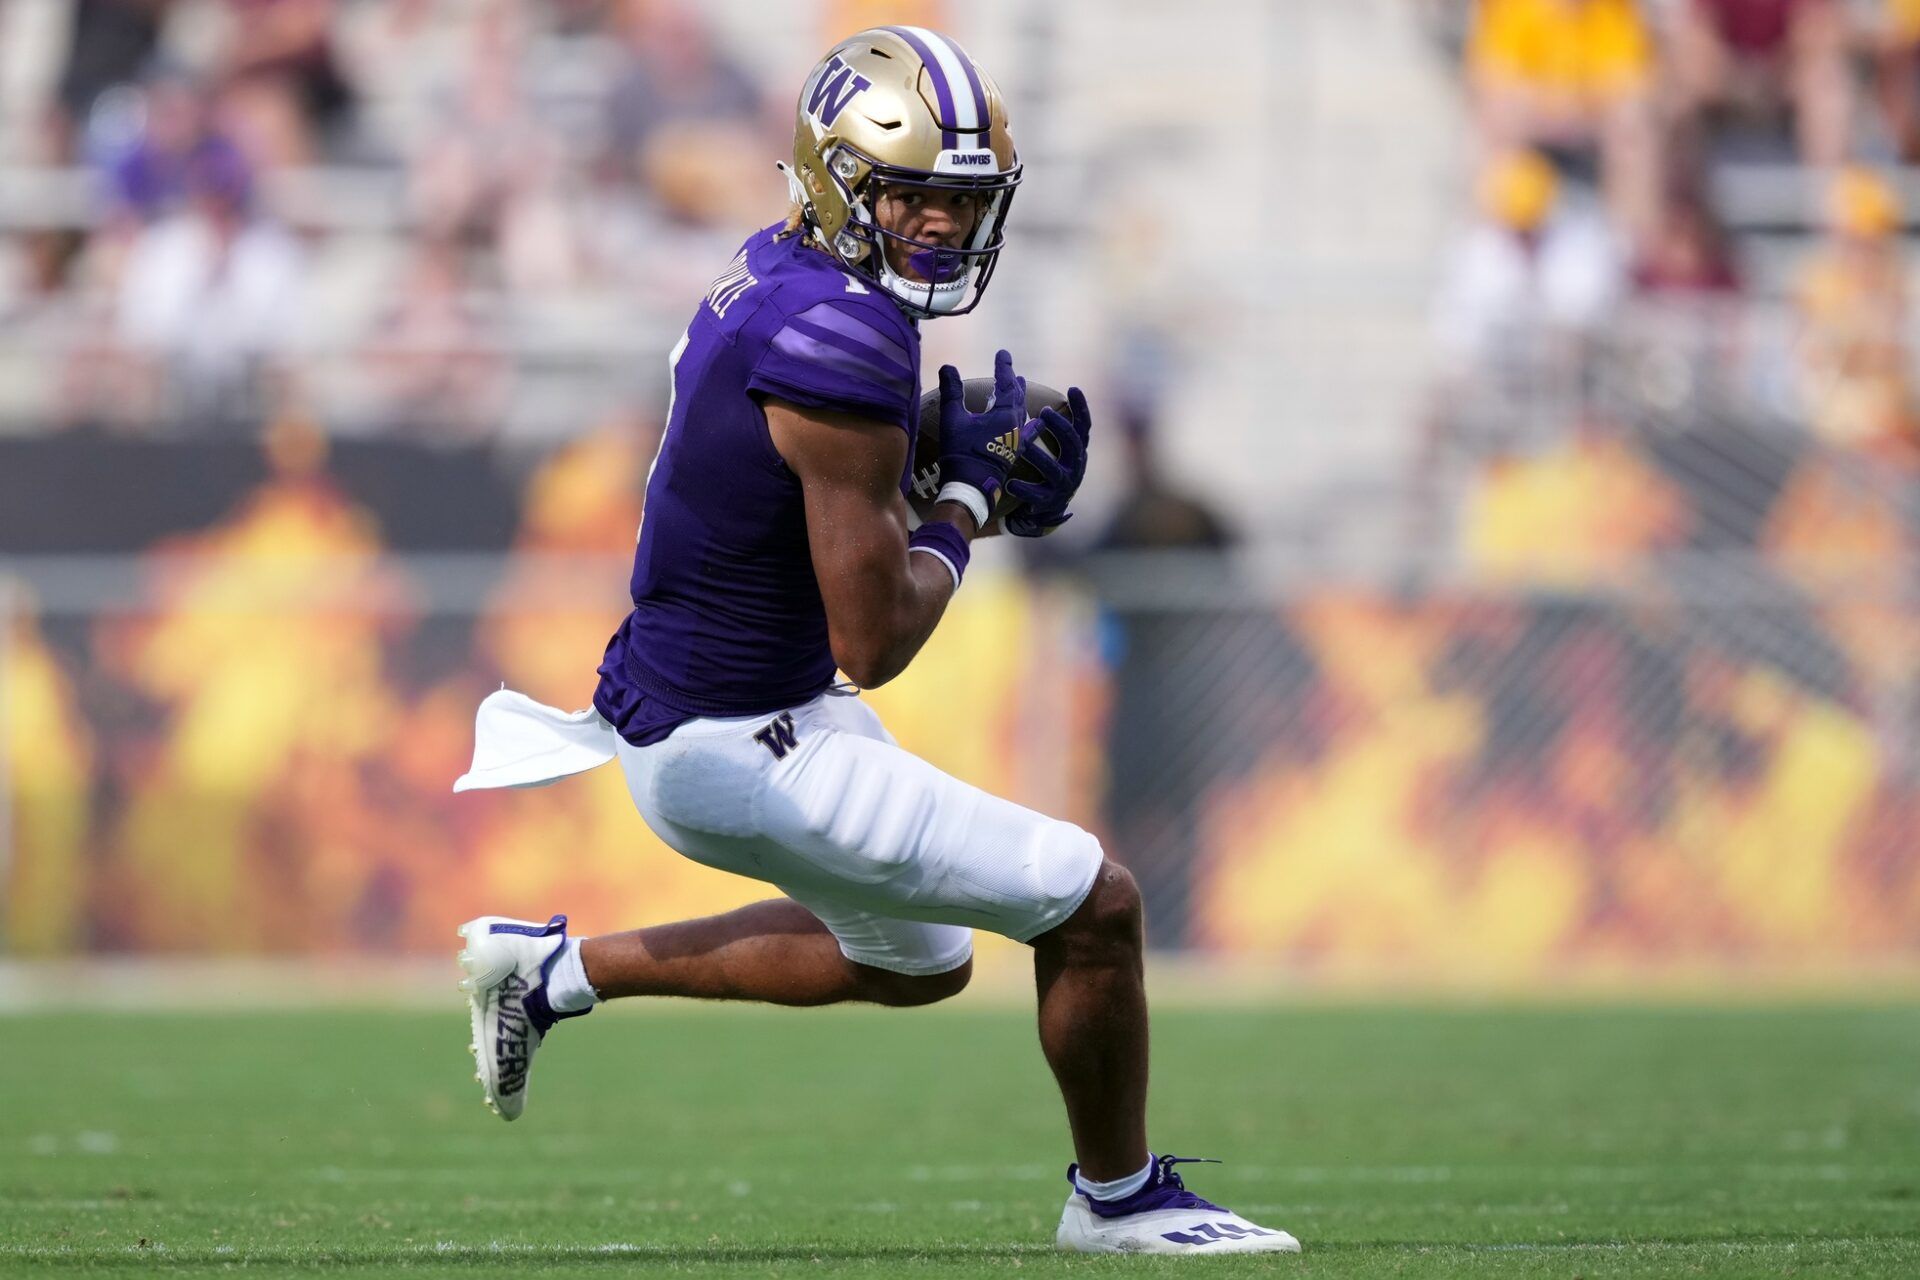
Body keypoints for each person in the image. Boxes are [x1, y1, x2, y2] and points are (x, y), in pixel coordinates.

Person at [448, 27, 1299, 1257]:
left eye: (961, 203)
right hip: (741, 738)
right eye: (912, 195)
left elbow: (815, 508)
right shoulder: (843, 334)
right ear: (839, 179)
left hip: (713, 705)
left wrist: (948, 488)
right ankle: (1116, 1199)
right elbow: (876, 635)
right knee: (1093, 901)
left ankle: (551, 973)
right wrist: (964, 506)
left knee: (918, 962)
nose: (941, 228)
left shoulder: (782, 270)